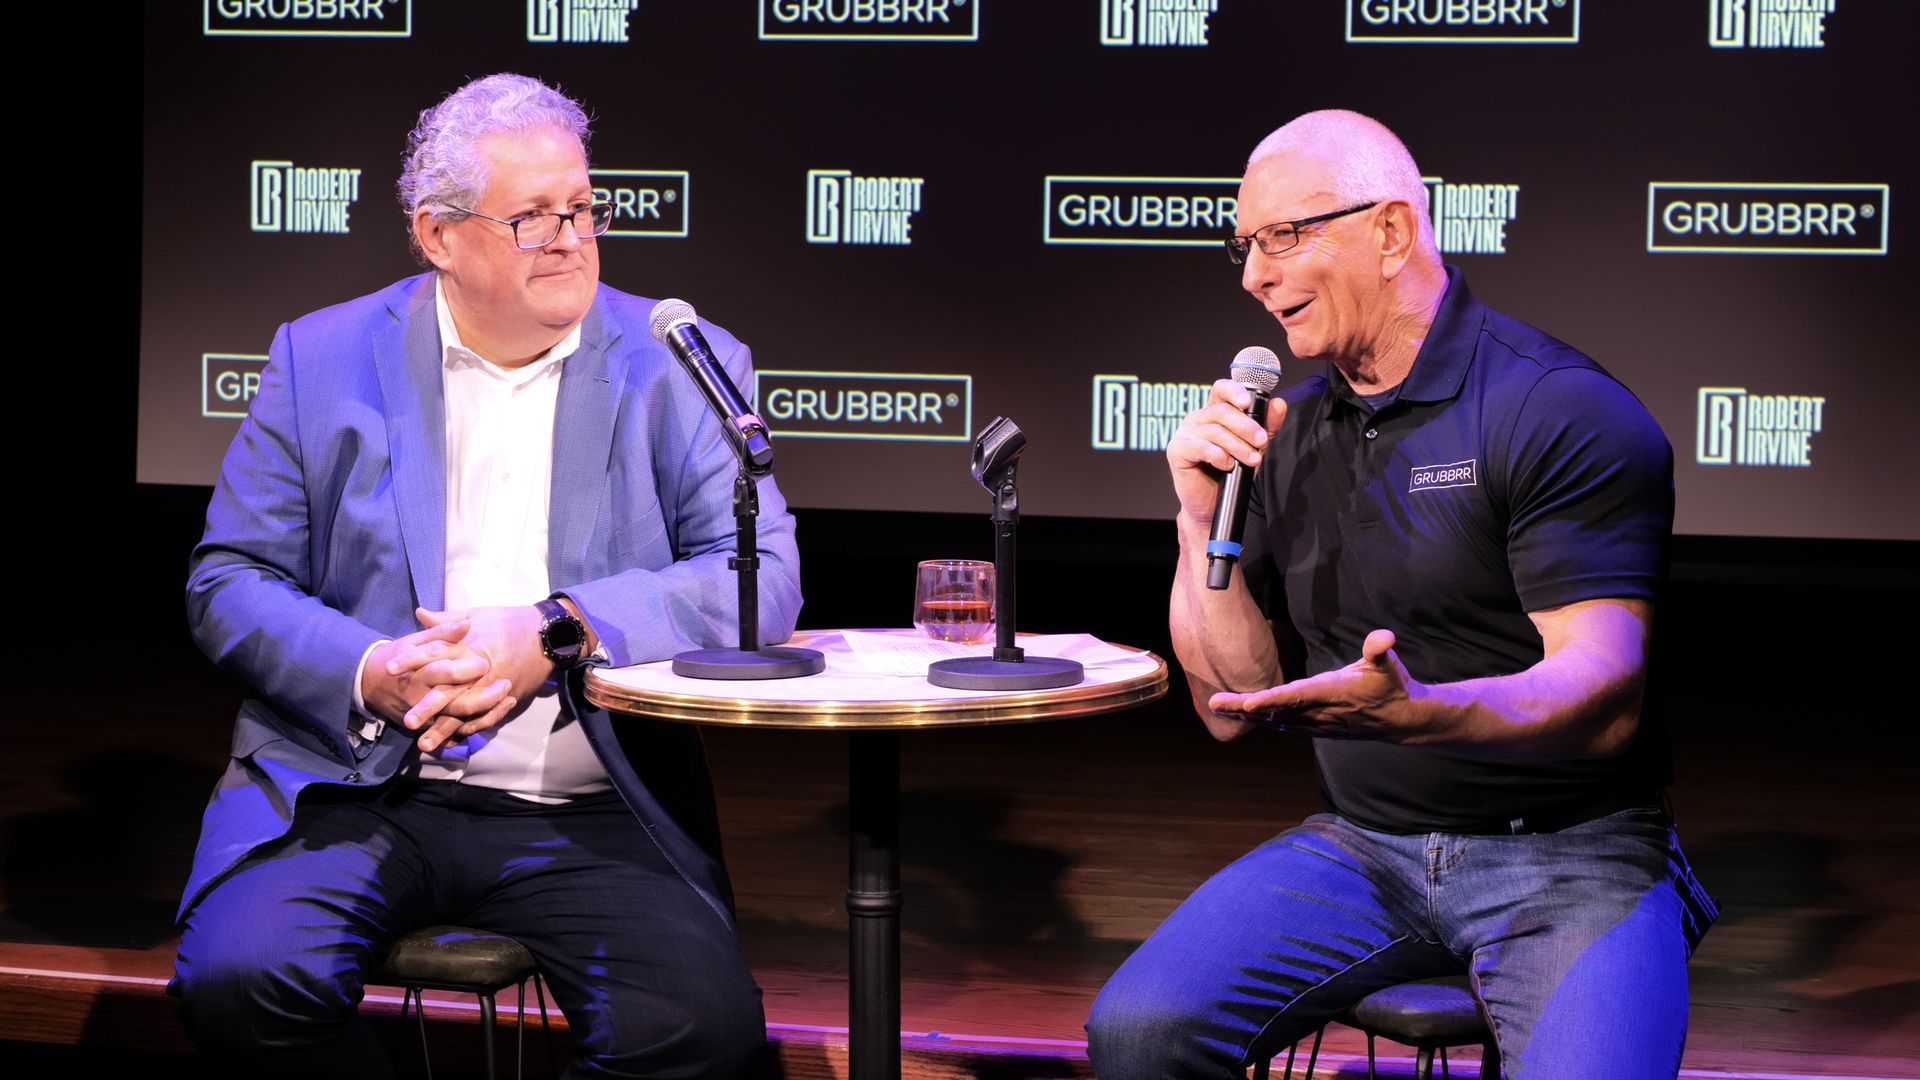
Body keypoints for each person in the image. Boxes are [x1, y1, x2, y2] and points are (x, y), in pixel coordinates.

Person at [170, 73, 801, 1079]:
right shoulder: (321, 358)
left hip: (592, 807)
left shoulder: (677, 361)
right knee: (242, 982)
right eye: (531, 217)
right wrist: (374, 666)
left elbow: (757, 576)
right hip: (357, 789)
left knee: (700, 1033)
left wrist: (554, 631)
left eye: (583, 208)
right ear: (437, 236)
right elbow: (230, 579)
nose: (570, 237)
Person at [1084, 110, 1713, 1079]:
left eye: (1285, 237)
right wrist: (1194, 516)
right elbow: (1228, 709)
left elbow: (1606, 690)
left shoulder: (1558, 410)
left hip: (1570, 855)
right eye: (1245, 245)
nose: (1254, 275)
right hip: (1364, 848)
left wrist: (1423, 714)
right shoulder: (1288, 433)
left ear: (1390, 232)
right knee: (1139, 1030)